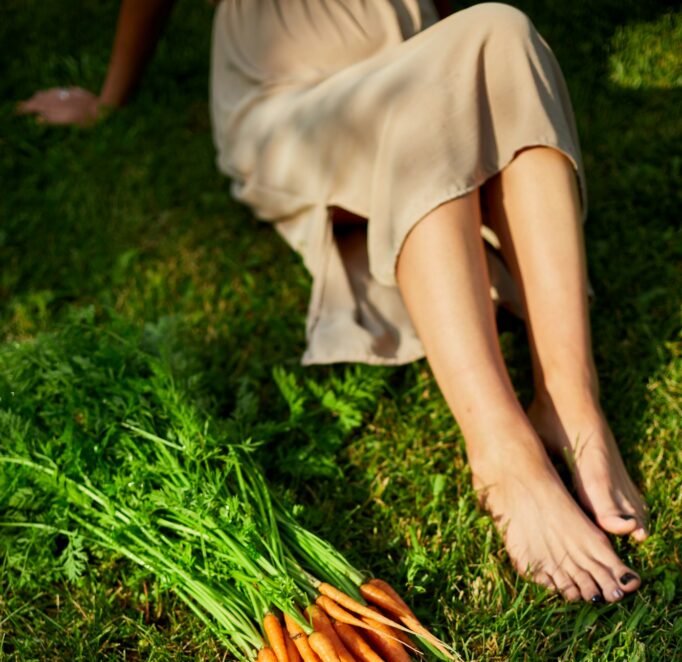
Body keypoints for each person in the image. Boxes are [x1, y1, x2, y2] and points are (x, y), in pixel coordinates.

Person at [18, 0, 648, 604]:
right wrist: (110, 96)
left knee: (501, 36)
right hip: (288, 93)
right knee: (443, 77)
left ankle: (571, 404)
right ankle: (501, 453)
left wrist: (477, 80)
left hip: (410, 49)